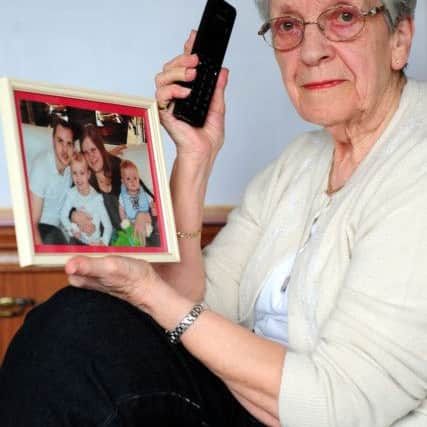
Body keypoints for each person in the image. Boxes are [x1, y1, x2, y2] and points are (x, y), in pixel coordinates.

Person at [1, 1, 426, 426]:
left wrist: (148, 292)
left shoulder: (416, 165)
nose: (311, 51)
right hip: (241, 405)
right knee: (69, 323)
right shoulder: (299, 163)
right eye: (288, 24)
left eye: (343, 17)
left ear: (399, 39)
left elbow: (336, 406)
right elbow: (193, 301)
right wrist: (194, 156)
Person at [71, 123, 157, 244]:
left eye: (93, 150)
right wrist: (74, 215)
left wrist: (143, 214)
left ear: (101, 149)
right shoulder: (84, 176)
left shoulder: (118, 166)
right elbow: (71, 200)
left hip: (138, 225)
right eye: (86, 153)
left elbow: (148, 196)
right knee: (106, 200)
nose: (91, 157)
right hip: (115, 238)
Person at [29, 117, 77, 245]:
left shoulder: (71, 165)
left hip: (62, 227)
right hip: (42, 228)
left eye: (69, 143)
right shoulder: (41, 167)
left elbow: (91, 157)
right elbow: (31, 223)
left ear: (73, 147)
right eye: (60, 141)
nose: (64, 149)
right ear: (53, 141)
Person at [60, 152, 113, 246]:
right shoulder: (71, 193)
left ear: (88, 174)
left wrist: (103, 243)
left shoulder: (96, 199)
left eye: (82, 173)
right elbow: (63, 215)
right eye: (74, 173)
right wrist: (72, 229)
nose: (78, 178)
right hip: (79, 240)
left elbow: (108, 226)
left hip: (95, 243)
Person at [119, 159, 153, 240]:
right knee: (126, 228)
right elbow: (121, 210)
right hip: (130, 222)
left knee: (148, 229)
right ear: (123, 182)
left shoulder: (143, 194)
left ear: (138, 178)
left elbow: (152, 203)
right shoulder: (122, 196)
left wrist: (154, 207)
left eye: (135, 178)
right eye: (128, 179)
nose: (132, 181)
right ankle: (135, 238)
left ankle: (143, 237)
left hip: (144, 221)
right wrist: (124, 221)